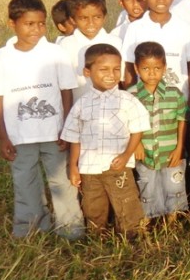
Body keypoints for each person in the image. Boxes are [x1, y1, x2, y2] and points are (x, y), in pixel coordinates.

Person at [0, 0, 84, 239]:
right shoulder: (1, 58)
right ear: (12, 23)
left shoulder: (55, 53)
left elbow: (66, 92)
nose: (37, 29)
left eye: (41, 23)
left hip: (55, 133)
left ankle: (70, 229)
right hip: (19, 135)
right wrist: (3, 136)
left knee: (62, 182)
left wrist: (66, 129)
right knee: (25, 183)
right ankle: (30, 229)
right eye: (29, 24)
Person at [61, 44, 150, 237]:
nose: (111, 74)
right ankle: (97, 238)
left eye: (116, 69)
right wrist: (74, 167)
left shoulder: (127, 100)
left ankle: (132, 238)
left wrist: (127, 155)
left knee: (126, 202)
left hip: (117, 166)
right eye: (104, 69)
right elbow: (75, 137)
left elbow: (138, 130)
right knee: (93, 205)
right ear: (87, 72)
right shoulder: (82, 104)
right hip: (89, 168)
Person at [121, 0, 190, 106]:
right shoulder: (135, 28)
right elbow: (128, 65)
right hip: (144, 102)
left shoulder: (184, 27)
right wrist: (132, 101)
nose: (160, 0)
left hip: (178, 103)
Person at [130, 41, 189, 222]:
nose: (152, 73)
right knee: (147, 186)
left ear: (164, 68)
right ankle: (148, 220)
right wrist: (137, 144)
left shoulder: (175, 94)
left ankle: (173, 221)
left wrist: (179, 147)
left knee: (174, 186)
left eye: (157, 68)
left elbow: (182, 120)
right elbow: (128, 123)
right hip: (145, 151)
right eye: (146, 68)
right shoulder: (130, 95)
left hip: (170, 151)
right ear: (137, 69)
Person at [60, 0, 123, 102]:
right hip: (79, 109)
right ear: (72, 19)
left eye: (97, 17)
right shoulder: (66, 45)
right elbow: (65, 87)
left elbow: (122, 80)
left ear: (104, 17)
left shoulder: (115, 42)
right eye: (84, 18)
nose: (91, 23)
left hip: (112, 108)